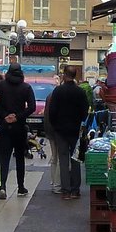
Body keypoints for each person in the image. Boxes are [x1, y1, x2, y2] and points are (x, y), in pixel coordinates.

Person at [46, 65, 90, 200]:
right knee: (75, 159)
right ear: (75, 75)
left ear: (64, 75)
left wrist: (55, 125)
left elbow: (51, 112)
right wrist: (80, 122)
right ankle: (75, 190)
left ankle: (65, 190)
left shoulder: (58, 91)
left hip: (60, 130)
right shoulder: (80, 92)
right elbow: (85, 111)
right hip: (75, 129)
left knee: (63, 159)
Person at [0, 64, 36, 200]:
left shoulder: (0, 86)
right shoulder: (26, 88)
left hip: (5, 126)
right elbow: (32, 107)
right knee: (19, 158)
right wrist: (17, 116)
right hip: (19, 127)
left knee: (4, 158)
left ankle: (2, 187)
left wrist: (5, 116)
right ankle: (21, 186)